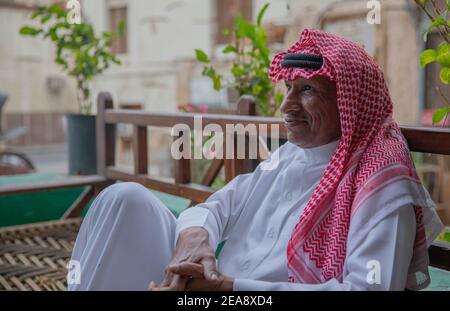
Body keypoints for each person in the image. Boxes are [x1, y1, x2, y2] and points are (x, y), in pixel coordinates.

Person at [69, 29, 443, 291]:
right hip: (209, 285)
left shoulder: (380, 182)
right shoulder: (289, 156)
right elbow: (217, 206)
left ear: (350, 102)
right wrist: (196, 240)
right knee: (124, 197)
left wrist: (231, 288)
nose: (286, 105)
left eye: (307, 90)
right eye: (288, 88)